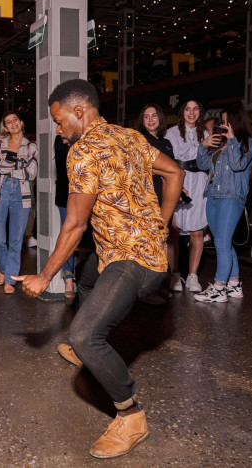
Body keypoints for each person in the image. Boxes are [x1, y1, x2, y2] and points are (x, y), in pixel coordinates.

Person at [14, 79, 184, 459]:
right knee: (87, 278)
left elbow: (75, 225)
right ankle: (94, 354)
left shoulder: (83, 152)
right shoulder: (129, 136)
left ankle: (131, 415)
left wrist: (44, 276)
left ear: (79, 112)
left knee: (84, 335)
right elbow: (175, 173)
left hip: (132, 260)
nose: (59, 131)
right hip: (143, 253)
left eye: (60, 122)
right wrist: (162, 223)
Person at [193, 104, 252, 302]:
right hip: (212, 194)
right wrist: (204, 146)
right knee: (223, 241)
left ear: (237, 121)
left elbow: (237, 165)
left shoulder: (247, 143)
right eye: (222, 121)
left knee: (221, 241)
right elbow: (202, 165)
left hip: (231, 196)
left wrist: (233, 140)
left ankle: (219, 288)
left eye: (227, 121)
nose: (223, 125)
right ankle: (234, 284)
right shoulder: (221, 143)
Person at [0, 111, 38, 294]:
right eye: (8, 122)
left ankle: (10, 279)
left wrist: (8, 167)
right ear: (6, 127)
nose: (13, 123)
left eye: (15, 119)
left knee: (16, 240)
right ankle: (4, 268)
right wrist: (19, 166)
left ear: (21, 122)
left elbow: (31, 172)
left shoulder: (31, 146)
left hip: (21, 193)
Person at [165, 96, 209, 292]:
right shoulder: (171, 133)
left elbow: (208, 161)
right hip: (180, 181)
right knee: (174, 231)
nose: (191, 113)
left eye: (195, 108)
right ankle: (174, 274)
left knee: (197, 232)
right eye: (187, 109)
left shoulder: (205, 133)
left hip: (199, 182)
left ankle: (192, 276)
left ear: (200, 112)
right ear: (181, 112)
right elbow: (169, 160)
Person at [136, 103, 176, 304]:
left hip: (165, 198)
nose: (150, 119)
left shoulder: (166, 143)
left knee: (161, 243)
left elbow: (173, 171)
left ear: (160, 118)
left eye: (154, 115)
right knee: (149, 244)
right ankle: (146, 290)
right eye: (146, 116)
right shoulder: (140, 140)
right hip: (147, 198)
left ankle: (159, 285)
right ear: (142, 121)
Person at [53, 133, 76, 302]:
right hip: (66, 194)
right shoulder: (59, 139)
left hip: (89, 193)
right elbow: (63, 170)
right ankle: (68, 278)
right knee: (68, 235)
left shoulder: (87, 135)